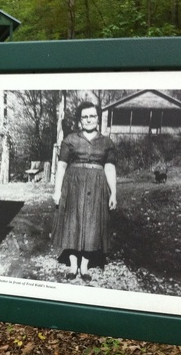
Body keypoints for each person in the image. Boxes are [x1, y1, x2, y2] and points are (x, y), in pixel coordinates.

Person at [51, 101, 117, 282]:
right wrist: (57, 191)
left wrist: (114, 193)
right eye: (85, 117)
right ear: (80, 120)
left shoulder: (107, 142)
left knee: (92, 224)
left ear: (97, 118)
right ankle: (73, 266)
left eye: (92, 116)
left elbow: (110, 169)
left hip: (97, 187)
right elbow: (62, 166)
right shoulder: (70, 140)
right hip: (73, 186)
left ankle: (84, 266)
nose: (89, 120)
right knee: (72, 223)